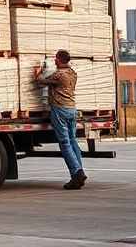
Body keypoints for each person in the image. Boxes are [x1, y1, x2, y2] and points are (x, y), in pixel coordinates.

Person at [34, 49, 88, 190]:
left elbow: (41, 81)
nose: (54, 61)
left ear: (60, 60)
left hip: (60, 110)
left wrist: (38, 72)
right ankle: (79, 170)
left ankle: (76, 173)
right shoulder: (73, 73)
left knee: (64, 143)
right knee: (72, 140)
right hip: (72, 110)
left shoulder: (59, 74)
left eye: (56, 59)